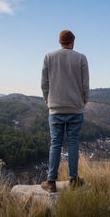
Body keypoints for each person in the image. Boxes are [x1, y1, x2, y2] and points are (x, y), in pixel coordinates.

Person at [40, 30, 89, 192]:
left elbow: (44, 84)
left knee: (55, 143)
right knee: (73, 142)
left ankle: (51, 181)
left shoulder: (49, 57)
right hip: (75, 108)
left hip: (55, 109)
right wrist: (82, 102)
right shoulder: (81, 58)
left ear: (60, 42)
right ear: (73, 42)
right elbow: (85, 85)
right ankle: (73, 180)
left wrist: (49, 102)